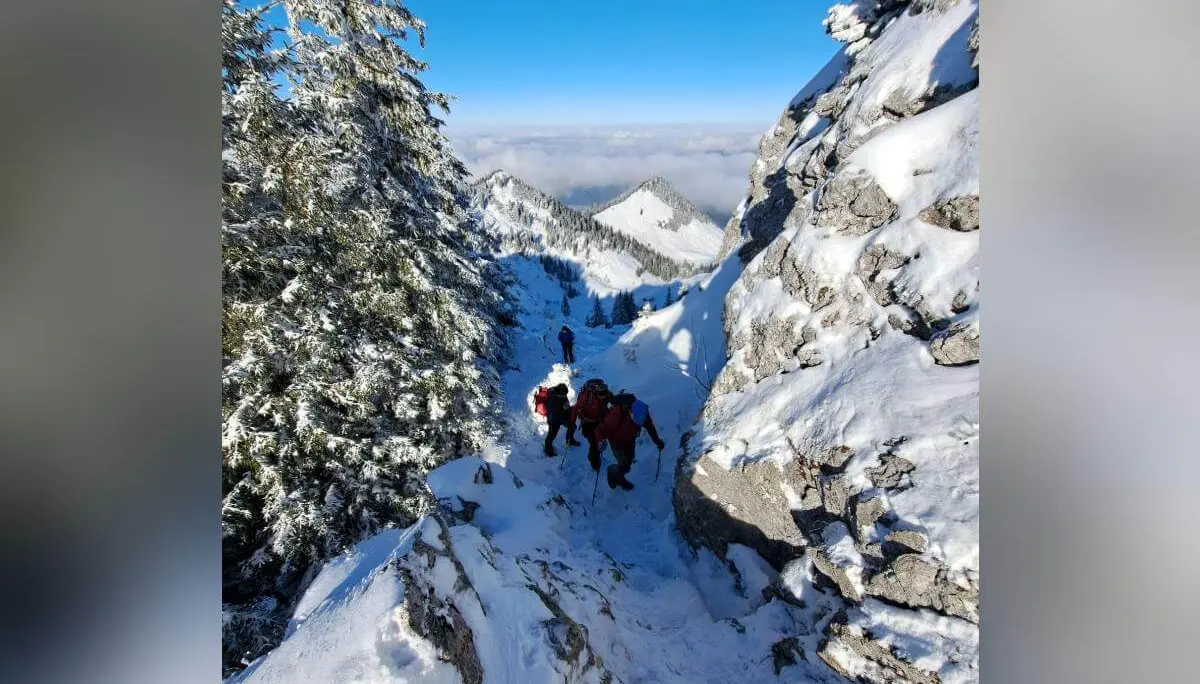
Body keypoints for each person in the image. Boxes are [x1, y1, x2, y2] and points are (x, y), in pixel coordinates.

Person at [595, 392, 665, 490]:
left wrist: (657, 442)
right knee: (624, 466)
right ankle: (613, 475)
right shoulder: (616, 414)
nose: (639, 423)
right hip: (616, 442)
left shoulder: (642, 412)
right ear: (630, 412)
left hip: (630, 440)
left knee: (629, 461)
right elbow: (601, 429)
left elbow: (650, 428)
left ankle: (621, 470)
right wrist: (600, 441)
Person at [570, 378, 612, 471]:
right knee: (594, 442)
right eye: (600, 395)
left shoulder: (607, 394)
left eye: (604, 395)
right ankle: (594, 463)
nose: (602, 397)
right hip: (588, 423)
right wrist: (572, 423)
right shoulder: (587, 396)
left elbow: (614, 402)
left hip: (600, 422)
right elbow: (576, 408)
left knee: (597, 442)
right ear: (596, 392)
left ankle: (594, 456)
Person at [543, 383, 580, 456]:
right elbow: (562, 408)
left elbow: (566, 406)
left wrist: (569, 411)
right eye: (564, 394)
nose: (565, 395)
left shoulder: (559, 392)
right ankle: (548, 449)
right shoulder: (555, 398)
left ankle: (570, 440)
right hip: (553, 419)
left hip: (561, 417)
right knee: (552, 435)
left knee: (572, 426)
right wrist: (566, 409)